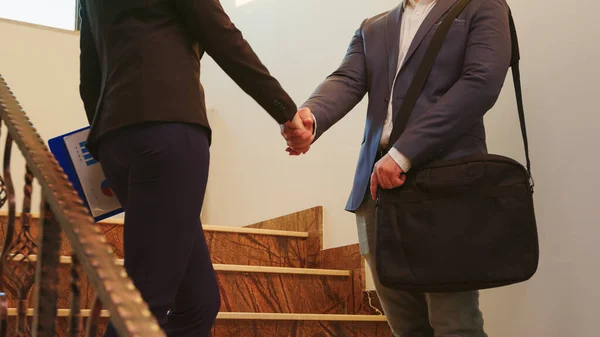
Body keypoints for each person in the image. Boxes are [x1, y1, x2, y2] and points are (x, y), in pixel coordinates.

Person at [283, 0, 512, 336]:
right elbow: (346, 79)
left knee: (455, 323)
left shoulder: (482, 6)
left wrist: (404, 151)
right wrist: (310, 117)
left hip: (446, 186)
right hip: (376, 194)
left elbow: (480, 83)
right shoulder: (373, 26)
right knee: (405, 326)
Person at [78, 0, 304, 336]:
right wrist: (286, 111)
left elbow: (90, 76)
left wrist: (110, 133)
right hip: (169, 131)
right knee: (145, 305)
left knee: (198, 300)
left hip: (117, 140)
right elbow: (222, 35)